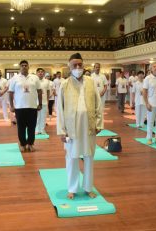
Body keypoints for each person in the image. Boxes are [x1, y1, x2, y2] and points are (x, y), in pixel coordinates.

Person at [57, 53, 102, 200]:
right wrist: (61, 131)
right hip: (72, 129)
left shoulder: (90, 82)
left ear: (83, 65)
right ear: (69, 67)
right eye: (74, 65)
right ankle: (72, 188)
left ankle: (88, 187)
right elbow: (60, 109)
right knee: (72, 158)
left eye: (80, 65)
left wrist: (99, 123)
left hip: (89, 126)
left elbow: (98, 103)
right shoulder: (65, 84)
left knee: (89, 157)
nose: (77, 67)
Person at [8, 60, 42, 152]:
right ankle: (22, 144)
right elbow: (10, 93)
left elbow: (39, 91)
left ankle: (30, 144)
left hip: (32, 107)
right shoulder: (14, 78)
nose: (24, 67)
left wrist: (40, 104)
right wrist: (11, 106)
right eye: (22, 65)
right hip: (19, 107)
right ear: (20, 67)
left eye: (25, 65)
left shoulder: (35, 78)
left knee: (32, 127)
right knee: (21, 127)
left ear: (28, 67)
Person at [36, 68, 50, 134]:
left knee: (43, 116)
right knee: (37, 117)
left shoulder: (47, 81)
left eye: (42, 72)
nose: (40, 73)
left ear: (44, 73)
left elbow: (48, 91)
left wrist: (47, 99)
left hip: (44, 101)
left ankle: (42, 129)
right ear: (37, 73)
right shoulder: (35, 81)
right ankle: (37, 129)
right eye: (39, 72)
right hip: (36, 102)